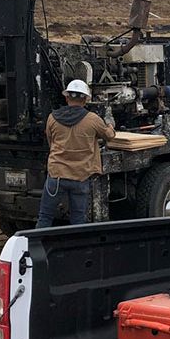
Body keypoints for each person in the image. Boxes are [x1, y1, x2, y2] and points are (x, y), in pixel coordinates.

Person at [36, 80, 116, 228]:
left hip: (57, 176)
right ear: (85, 99)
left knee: (45, 217)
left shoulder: (52, 118)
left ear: (67, 98)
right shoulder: (93, 119)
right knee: (78, 221)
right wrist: (110, 123)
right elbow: (109, 136)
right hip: (80, 177)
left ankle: (36, 249)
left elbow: (50, 141)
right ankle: (77, 250)